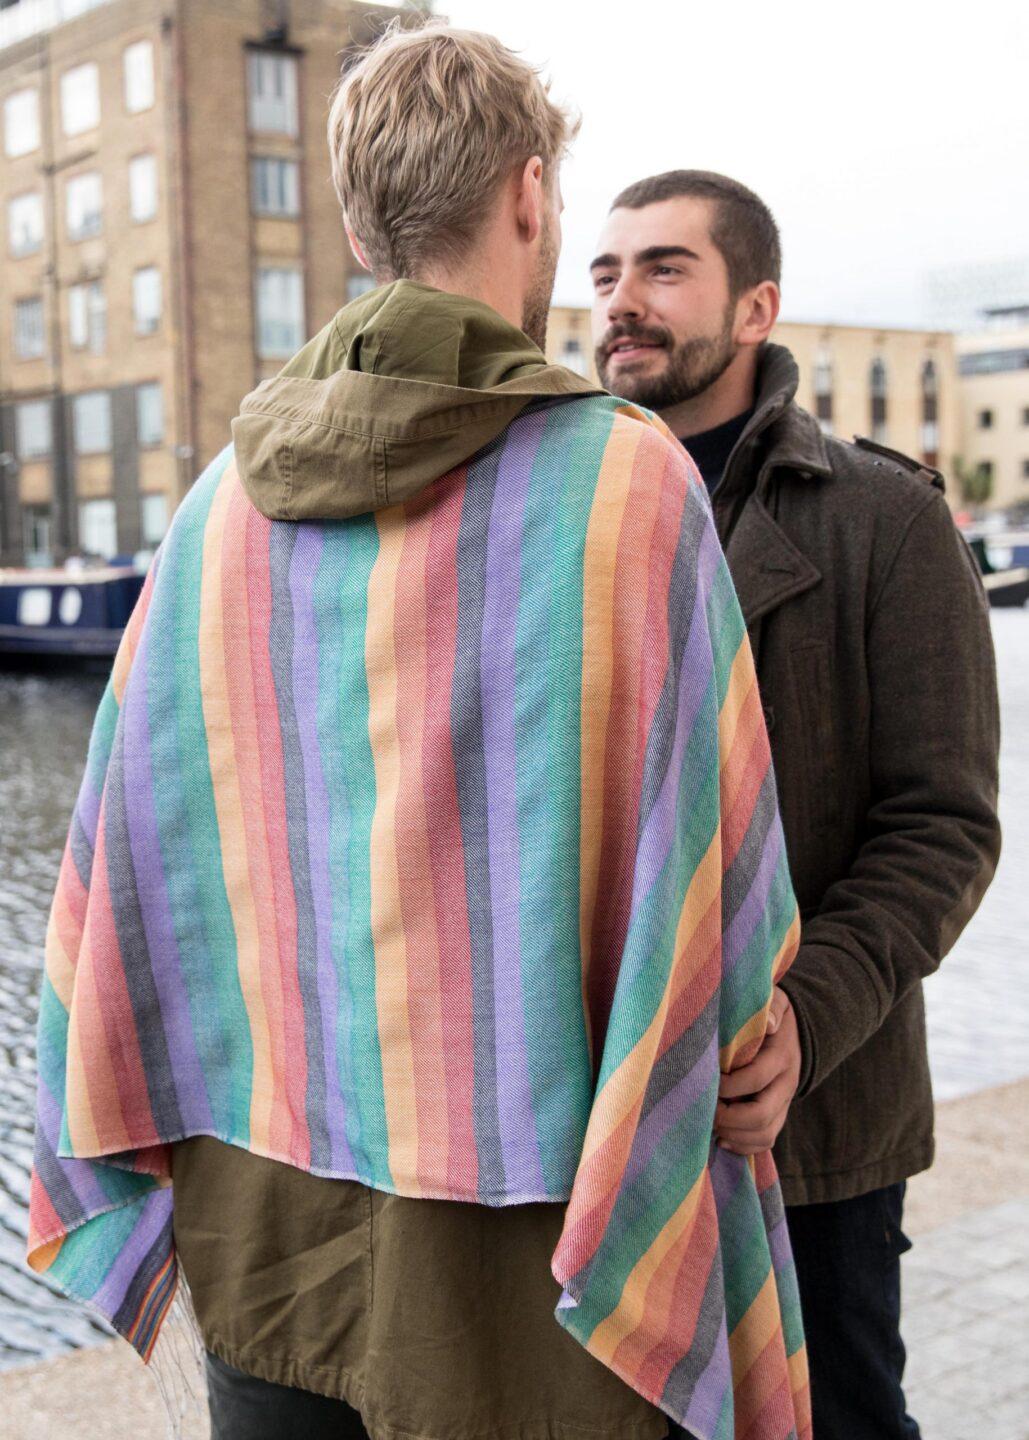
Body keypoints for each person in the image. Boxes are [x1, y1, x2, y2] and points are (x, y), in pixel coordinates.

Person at [28, 33, 811, 1440]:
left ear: (353, 227)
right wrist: (746, 1033)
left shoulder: (216, 510)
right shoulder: (624, 488)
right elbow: (712, 889)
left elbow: (122, 874)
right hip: (528, 1262)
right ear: (529, 198)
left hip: (267, 1219)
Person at [590, 169, 1001, 1440]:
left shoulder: (886, 517)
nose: (621, 302)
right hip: (602, 1125)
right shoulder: (562, 509)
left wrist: (804, 1023)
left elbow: (943, 824)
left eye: (663, 270)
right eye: (604, 275)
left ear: (757, 304)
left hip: (815, 1126)